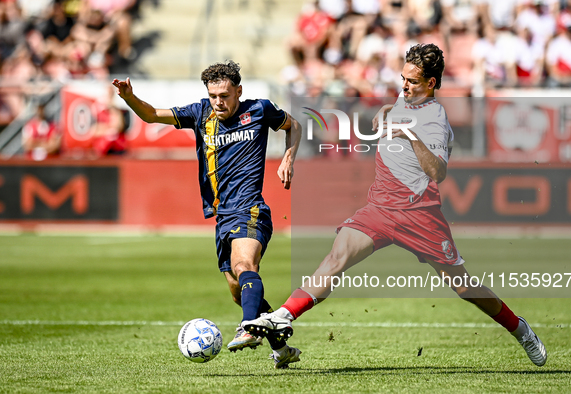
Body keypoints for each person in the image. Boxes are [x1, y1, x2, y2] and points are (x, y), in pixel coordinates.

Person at [242, 44, 548, 368]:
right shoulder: (405, 96)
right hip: (380, 208)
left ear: (431, 83)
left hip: (419, 214)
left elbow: (438, 172)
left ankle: (520, 329)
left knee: (464, 287)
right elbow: (402, 106)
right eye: (403, 78)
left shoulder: (436, 120)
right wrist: (389, 109)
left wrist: (407, 136)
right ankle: (283, 316)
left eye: (412, 81)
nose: (404, 85)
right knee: (336, 258)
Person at [112, 60, 303, 368]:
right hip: (222, 214)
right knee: (237, 291)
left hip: (250, 206)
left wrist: (289, 159)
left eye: (225, 96)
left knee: (244, 264)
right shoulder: (200, 113)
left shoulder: (260, 110)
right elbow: (150, 115)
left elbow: (295, 125)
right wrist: (128, 97)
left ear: (238, 91)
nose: (218, 102)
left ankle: (248, 327)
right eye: (213, 95)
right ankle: (281, 346)